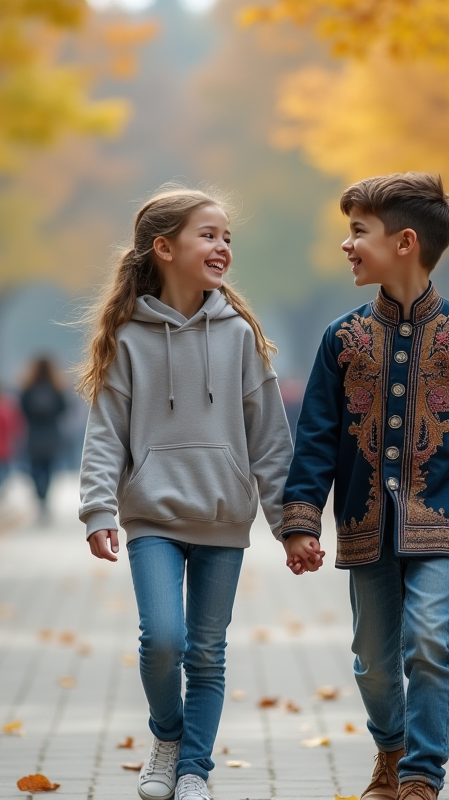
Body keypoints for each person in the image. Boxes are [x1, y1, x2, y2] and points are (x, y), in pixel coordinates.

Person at [280, 173, 449, 800]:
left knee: (427, 638)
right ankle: (389, 749)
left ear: (405, 242)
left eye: (358, 231)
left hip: (442, 520)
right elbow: (314, 435)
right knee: (371, 659)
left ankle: (421, 774)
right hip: (365, 524)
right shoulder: (341, 340)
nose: (347, 244)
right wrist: (302, 519)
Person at [78, 186, 293, 800]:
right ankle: (167, 738)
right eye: (209, 234)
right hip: (152, 518)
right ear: (164, 248)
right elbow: (104, 434)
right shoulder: (128, 338)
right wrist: (98, 508)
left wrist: (289, 523)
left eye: (227, 237)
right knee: (162, 640)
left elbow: (270, 440)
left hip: (223, 518)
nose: (222, 246)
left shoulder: (240, 336)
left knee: (207, 653)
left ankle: (194, 770)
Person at [20, 356, 68, 523]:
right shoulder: (56, 389)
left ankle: (39, 497)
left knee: (34, 469)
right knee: (48, 470)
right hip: (51, 435)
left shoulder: (28, 389)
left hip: (34, 435)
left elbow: (22, 409)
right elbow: (63, 409)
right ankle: (44, 499)